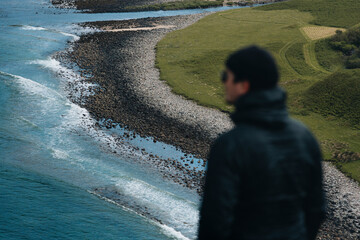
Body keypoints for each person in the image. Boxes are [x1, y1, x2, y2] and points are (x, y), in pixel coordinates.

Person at [198, 46, 326, 240]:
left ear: (244, 85)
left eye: (227, 76)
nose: (224, 81)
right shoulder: (305, 137)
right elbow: (317, 209)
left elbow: (214, 223)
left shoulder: (230, 146)